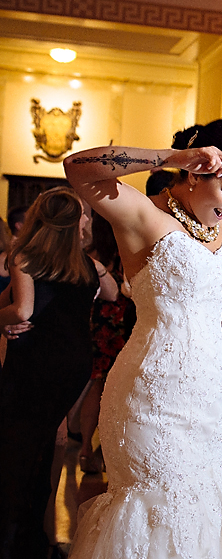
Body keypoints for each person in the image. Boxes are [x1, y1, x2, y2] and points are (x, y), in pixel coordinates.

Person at [64, 119, 222, 558]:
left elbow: (216, 306)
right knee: (159, 515)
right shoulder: (144, 215)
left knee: (212, 513)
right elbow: (77, 167)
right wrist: (171, 157)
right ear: (196, 174)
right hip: (152, 400)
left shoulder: (214, 224)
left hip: (210, 401)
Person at [0, 188, 113, 559]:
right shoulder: (87, 266)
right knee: (43, 445)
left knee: (17, 452)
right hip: (73, 366)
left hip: (35, 363)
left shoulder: (26, 257)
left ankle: (15, 541)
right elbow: (113, 292)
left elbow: (22, 311)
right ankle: (35, 538)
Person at [79, 212, 137, 475]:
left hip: (96, 321)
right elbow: (130, 287)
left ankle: (84, 448)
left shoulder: (89, 253)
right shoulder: (124, 250)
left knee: (97, 383)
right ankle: (107, 452)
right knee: (118, 388)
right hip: (121, 321)